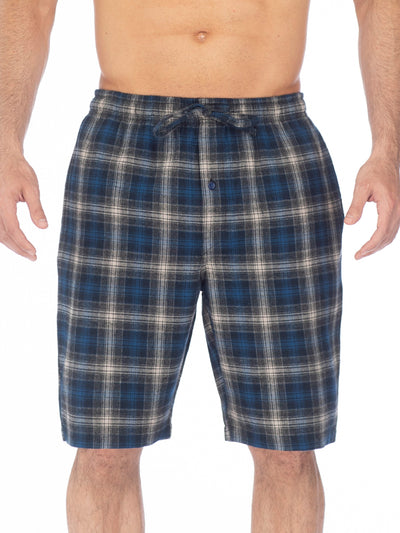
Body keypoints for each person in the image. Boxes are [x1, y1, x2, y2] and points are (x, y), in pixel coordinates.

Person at [1, 1, 399, 532]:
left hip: (274, 142)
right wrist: (5, 142)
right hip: (126, 146)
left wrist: (387, 150)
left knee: (288, 446)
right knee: (103, 445)